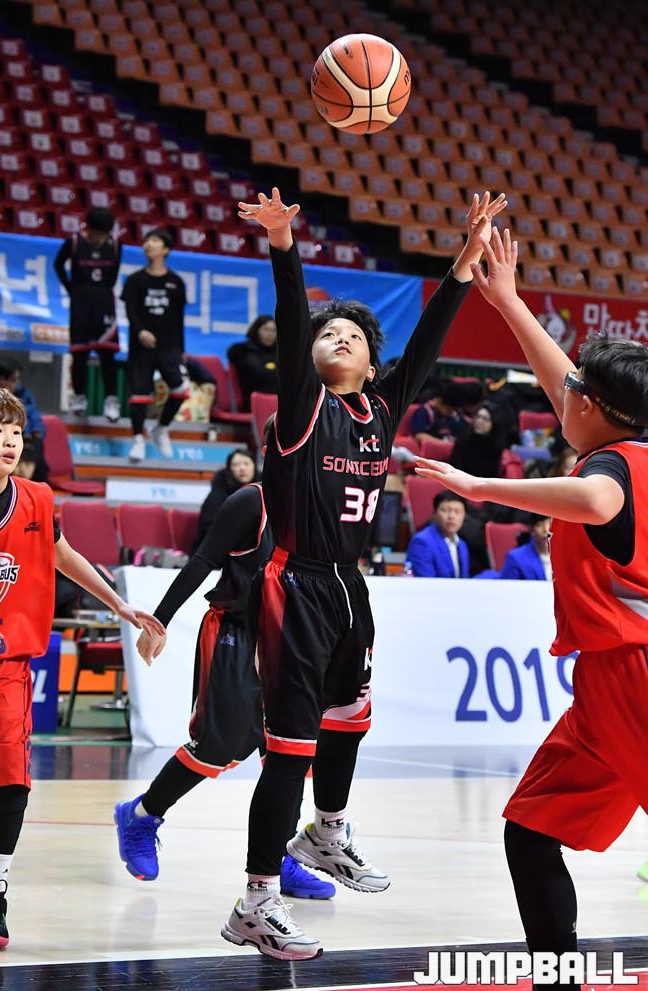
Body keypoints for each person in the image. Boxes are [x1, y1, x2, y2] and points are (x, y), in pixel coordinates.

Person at [213, 186, 506, 961]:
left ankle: (328, 832)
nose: (337, 337)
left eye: (351, 335)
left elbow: (431, 341)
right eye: (328, 333)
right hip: (296, 583)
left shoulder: (380, 410)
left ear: (373, 363)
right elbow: (293, 316)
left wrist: (465, 260)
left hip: (350, 586)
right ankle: (256, 901)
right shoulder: (301, 407)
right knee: (291, 747)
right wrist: (283, 245)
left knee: (351, 716)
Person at [416, 225, 648, 991]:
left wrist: (479, 486)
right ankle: (559, 979)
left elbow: (596, 499)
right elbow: (568, 385)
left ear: (599, 408)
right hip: (605, 687)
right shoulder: (617, 440)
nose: (562, 396)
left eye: (576, 393)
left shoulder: (613, 469)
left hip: (638, 674)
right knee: (532, 825)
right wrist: (510, 302)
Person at [113, 417, 334, 901]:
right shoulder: (250, 502)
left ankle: (279, 859)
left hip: (291, 642)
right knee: (218, 746)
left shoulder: (320, 504)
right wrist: (159, 620)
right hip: (237, 632)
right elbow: (201, 562)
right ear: (273, 448)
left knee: (290, 755)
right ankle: (141, 816)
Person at [0, 387, 163, 949]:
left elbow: (64, 557)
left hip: (6, 666)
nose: (10, 441)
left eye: (16, 431)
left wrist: (120, 606)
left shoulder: (37, 499)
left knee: (11, 781)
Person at [121, 229, 190, 463]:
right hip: (141, 348)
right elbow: (130, 312)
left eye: (154, 241)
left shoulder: (176, 283)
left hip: (169, 347)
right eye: (146, 240)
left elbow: (179, 319)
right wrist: (140, 331)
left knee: (181, 389)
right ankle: (137, 439)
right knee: (139, 395)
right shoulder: (135, 280)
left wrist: (181, 350)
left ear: (166, 249)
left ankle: (161, 428)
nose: (148, 244)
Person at [53, 207, 121, 422]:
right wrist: (71, 288)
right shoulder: (74, 242)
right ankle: (79, 397)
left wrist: (103, 289)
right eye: (96, 233)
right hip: (81, 300)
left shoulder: (116, 244)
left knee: (107, 353)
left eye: (103, 234)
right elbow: (58, 264)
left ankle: (111, 399)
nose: (99, 238)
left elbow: (114, 273)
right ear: (88, 229)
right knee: (80, 353)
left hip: (104, 301)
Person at [0, 355, 47, 482]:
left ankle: (27, 484)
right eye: (12, 380)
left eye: (16, 380)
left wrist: (36, 431)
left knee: (37, 449)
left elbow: (35, 418)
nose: (15, 384)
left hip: (25, 439)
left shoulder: (23, 394)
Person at [193, 449, 259, 552]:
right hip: (218, 550)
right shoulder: (217, 496)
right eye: (236, 465)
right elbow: (209, 528)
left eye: (246, 463)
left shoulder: (264, 491)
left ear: (254, 466)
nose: (242, 468)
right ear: (229, 469)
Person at [405, 490, 470, 578]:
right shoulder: (422, 542)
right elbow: (425, 582)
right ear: (434, 513)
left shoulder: (462, 544)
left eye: (457, 511)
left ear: (464, 515)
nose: (451, 516)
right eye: (445, 510)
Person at [227, 315, 277, 410]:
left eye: (273, 330)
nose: (270, 334)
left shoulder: (279, 353)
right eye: (266, 329)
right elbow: (259, 373)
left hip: (277, 398)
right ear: (257, 330)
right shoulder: (243, 350)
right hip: (253, 399)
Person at [450, 402, 506, 478]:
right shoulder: (464, 438)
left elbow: (492, 475)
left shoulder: (496, 445)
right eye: (478, 416)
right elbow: (454, 467)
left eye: (485, 419)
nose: (479, 421)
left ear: (494, 423)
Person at [499, 514, 552, 580]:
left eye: (550, 523)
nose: (546, 530)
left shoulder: (563, 554)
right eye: (539, 525)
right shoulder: (515, 558)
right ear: (531, 529)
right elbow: (507, 586)